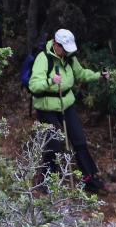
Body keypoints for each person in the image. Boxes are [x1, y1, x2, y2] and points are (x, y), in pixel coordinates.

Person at [28, 28, 109, 193]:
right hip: (46, 107)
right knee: (55, 144)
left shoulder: (70, 58)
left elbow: (81, 74)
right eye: (64, 49)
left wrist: (98, 75)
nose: (66, 52)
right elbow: (34, 85)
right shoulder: (43, 59)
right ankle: (46, 181)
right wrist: (51, 80)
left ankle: (90, 179)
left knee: (79, 140)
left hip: (66, 103)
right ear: (56, 45)